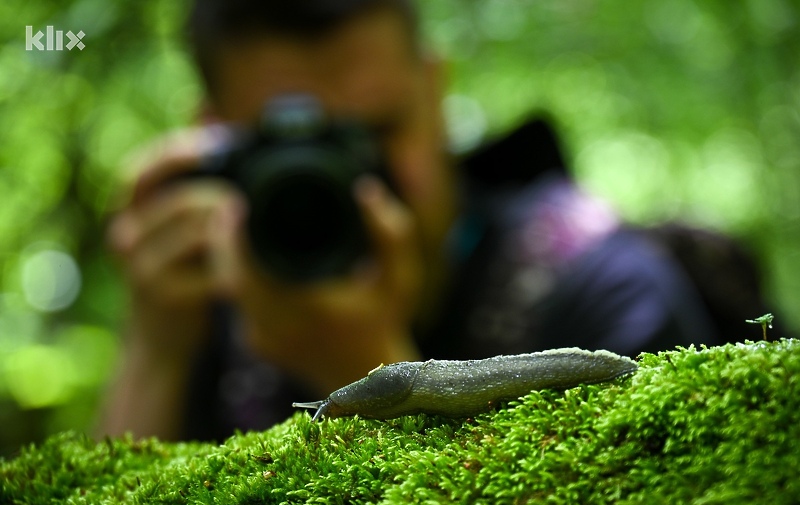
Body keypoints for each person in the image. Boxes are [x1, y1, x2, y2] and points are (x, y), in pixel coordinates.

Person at [101, 0, 726, 441]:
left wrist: (358, 357)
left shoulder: (605, 288)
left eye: (370, 135)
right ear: (214, 138)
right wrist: (156, 351)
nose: (349, 185)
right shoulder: (209, 294)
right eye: (286, 153)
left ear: (435, 89)